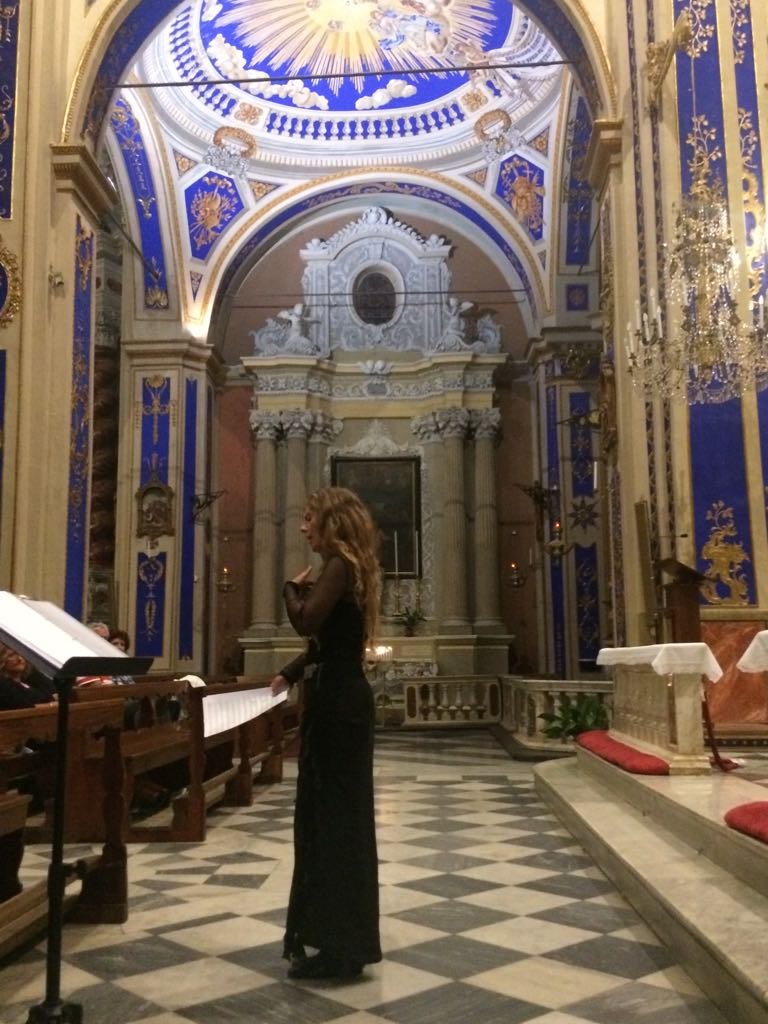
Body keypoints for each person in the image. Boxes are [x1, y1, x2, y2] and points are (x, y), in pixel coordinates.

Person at [270, 486, 382, 981]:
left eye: (309, 517)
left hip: (339, 708)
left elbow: (308, 622)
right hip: (337, 701)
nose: (303, 527)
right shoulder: (346, 566)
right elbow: (329, 643)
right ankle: (337, 939)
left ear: (332, 521)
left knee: (335, 823)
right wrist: (291, 674)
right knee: (331, 821)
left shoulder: (337, 564)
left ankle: (342, 947)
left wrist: (290, 591)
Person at [0, 642, 56, 710]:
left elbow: (52, 691)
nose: (19, 659)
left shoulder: (30, 680)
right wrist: (51, 705)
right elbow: (22, 707)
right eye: (12, 655)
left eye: (21, 654)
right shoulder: (4, 685)